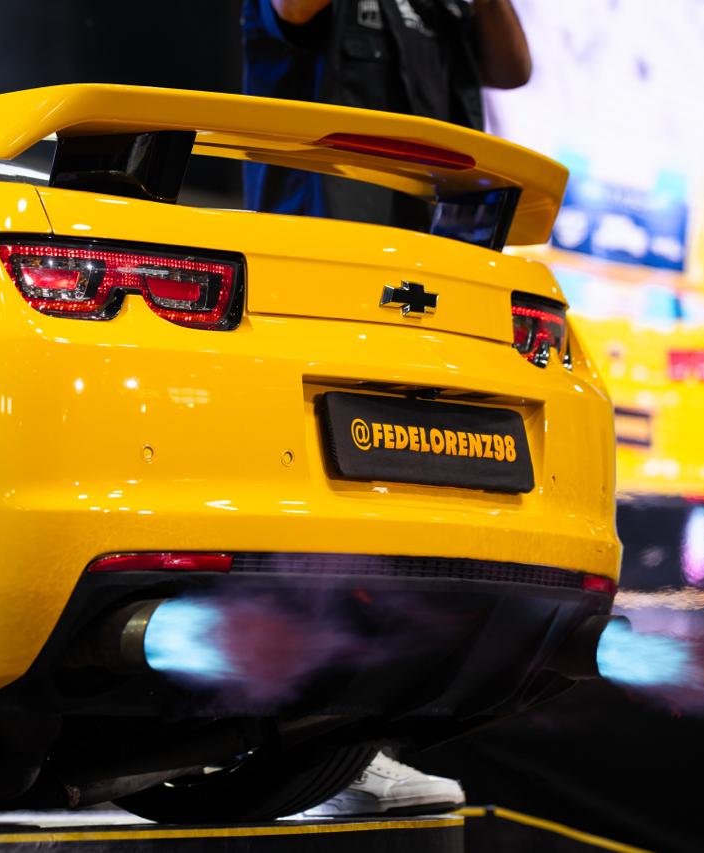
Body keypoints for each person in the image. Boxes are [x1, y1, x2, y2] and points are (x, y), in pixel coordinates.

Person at [242, 0, 532, 817]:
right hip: (320, 287)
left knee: (414, 516)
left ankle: (356, 747)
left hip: (432, 286)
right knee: (325, 513)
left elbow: (511, 68)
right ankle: (320, 754)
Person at [243, 0, 531, 227]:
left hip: (433, 237)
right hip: (323, 231)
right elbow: (293, 9)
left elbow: (512, 71)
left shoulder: (445, 8)